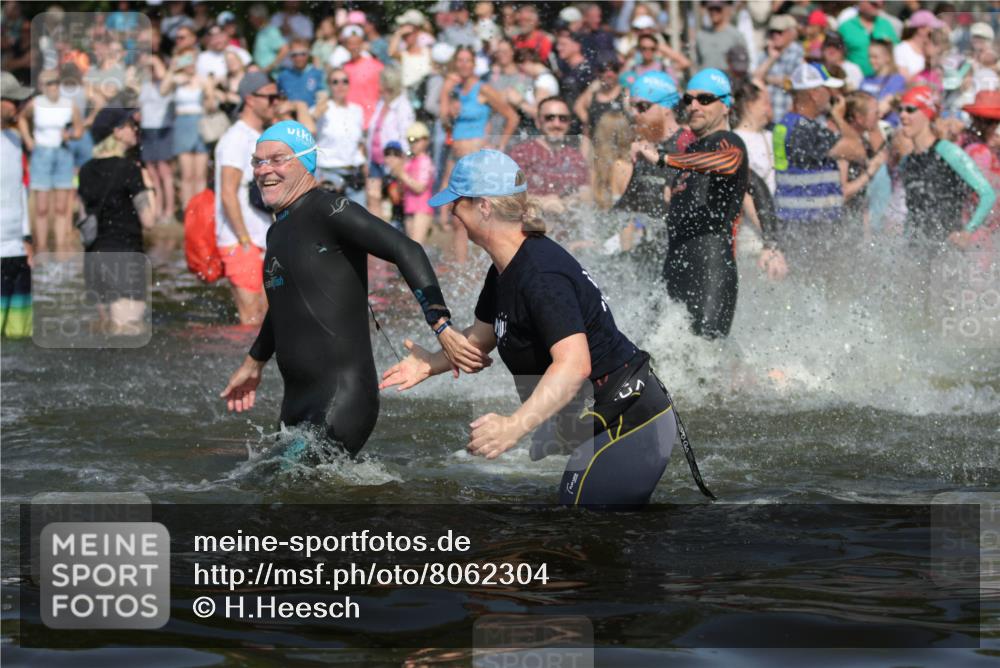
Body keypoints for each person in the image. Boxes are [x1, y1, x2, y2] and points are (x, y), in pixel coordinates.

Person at [380, 149, 715, 506]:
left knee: (576, 529)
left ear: (484, 207)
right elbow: (483, 337)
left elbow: (574, 366)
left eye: (457, 203)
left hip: (629, 421)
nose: (450, 213)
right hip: (599, 421)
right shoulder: (503, 271)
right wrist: (428, 363)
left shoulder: (540, 273)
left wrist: (513, 427)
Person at [220, 121, 484, 457]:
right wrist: (254, 362)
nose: (264, 170)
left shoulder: (329, 210)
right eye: (258, 161)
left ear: (305, 161)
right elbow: (286, 302)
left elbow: (408, 250)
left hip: (343, 398)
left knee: (286, 488)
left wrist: (441, 325)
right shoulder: (277, 232)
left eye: (277, 159)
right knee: (275, 493)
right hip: (297, 403)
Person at [632, 68, 749, 339]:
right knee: (658, 352)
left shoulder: (729, 141)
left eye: (705, 99)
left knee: (704, 361)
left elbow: (730, 163)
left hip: (711, 268)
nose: (694, 106)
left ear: (726, 105)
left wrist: (665, 159)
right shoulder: (691, 152)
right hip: (675, 265)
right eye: (689, 100)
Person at [78, 107, 156, 334]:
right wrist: (148, 183)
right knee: (128, 335)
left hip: (94, 259)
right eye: (131, 125)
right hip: (125, 258)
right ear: (117, 132)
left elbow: (82, 216)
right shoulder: (130, 169)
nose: (135, 129)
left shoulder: (85, 170)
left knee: (107, 333)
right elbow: (149, 220)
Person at [772, 63, 866, 250]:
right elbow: (858, 151)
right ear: (815, 94)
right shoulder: (805, 129)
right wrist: (837, 116)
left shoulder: (786, 123)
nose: (832, 95)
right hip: (811, 227)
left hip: (794, 222)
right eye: (827, 90)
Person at [440, 46, 518, 262]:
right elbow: (445, 124)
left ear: (474, 65)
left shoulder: (483, 89)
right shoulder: (457, 92)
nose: (464, 65)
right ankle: (462, 271)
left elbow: (511, 116)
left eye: (468, 60)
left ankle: (493, 263)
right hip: (458, 160)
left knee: (478, 216)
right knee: (458, 219)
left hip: (476, 163)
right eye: (460, 60)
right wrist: (445, 94)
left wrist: (499, 145)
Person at [214, 71, 278, 325]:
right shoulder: (235, 138)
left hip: (262, 239)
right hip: (240, 241)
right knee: (251, 320)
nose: (276, 102)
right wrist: (244, 241)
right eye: (271, 97)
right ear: (250, 99)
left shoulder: (259, 137)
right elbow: (228, 192)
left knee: (268, 319)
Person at [895, 86, 995, 245]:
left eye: (910, 109)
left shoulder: (948, 152)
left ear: (927, 112)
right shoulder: (907, 161)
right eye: (899, 110)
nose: (902, 115)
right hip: (915, 251)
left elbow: (988, 194)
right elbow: (911, 212)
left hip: (946, 251)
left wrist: (968, 231)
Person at [615, 72, 694, 246]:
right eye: (632, 107)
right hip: (651, 251)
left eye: (642, 107)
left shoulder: (688, 143)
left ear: (666, 107)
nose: (635, 114)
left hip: (683, 251)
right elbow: (627, 208)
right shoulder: (643, 148)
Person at [18, 69, 82, 253]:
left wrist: (69, 135)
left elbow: (79, 131)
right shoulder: (35, 104)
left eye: (55, 82)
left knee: (62, 207)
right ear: (41, 86)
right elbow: (21, 119)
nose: (53, 87)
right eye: (49, 83)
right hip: (41, 154)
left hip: (62, 154)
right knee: (41, 208)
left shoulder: (69, 105)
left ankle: (61, 248)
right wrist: (28, 139)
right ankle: (43, 247)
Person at [509, 97, 591, 215]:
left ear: (569, 123)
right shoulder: (520, 154)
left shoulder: (575, 157)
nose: (556, 124)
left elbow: (587, 192)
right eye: (549, 118)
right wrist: (542, 202)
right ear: (538, 122)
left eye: (563, 118)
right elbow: (509, 197)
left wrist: (572, 200)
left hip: (567, 227)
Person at [161, 47, 215, 212]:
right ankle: (188, 211)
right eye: (186, 59)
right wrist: (172, 68)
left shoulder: (203, 79)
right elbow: (162, 91)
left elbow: (211, 106)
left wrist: (207, 91)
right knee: (186, 175)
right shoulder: (176, 79)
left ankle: (200, 211)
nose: (190, 63)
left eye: (192, 59)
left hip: (199, 123)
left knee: (200, 175)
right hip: (182, 124)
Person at [1, 71, 33, 339]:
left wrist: (27, 237)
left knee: (19, 335)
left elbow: (21, 190)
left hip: (17, 249)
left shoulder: (15, 140)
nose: (19, 107)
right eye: (13, 101)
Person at [366, 68, 415, 222]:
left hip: (393, 158)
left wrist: (402, 161)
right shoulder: (382, 103)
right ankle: (376, 232)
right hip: (375, 158)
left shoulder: (402, 105)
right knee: (373, 195)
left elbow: (405, 134)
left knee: (394, 197)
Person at [312, 67, 366, 207]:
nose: (340, 85)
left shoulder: (357, 110)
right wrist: (316, 113)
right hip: (329, 172)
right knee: (331, 222)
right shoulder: (321, 109)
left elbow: (358, 143)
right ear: (329, 85)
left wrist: (364, 167)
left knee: (359, 223)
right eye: (335, 82)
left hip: (353, 173)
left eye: (344, 81)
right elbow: (307, 132)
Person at [839, 91, 887, 241]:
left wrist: (866, 236)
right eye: (875, 112)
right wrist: (870, 172)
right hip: (839, 228)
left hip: (856, 226)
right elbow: (842, 193)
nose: (879, 116)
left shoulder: (863, 143)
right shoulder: (843, 145)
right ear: (859, 118)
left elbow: (861, 199)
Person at [386, 121, 435, 245]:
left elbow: (420, 187)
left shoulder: (425, 161)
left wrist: (401, 174)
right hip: (409, 207)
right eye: (409, 140)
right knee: (411, 248)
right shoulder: (410, 161)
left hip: (422, 209)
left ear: (425, 141)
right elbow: (402, 189)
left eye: (415, 140)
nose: (412, 143)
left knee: (416, 247)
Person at [753, 13, 804, 124]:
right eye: (772, 32)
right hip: (764, 118)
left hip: (786, 117)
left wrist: (768, 79)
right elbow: (754, 81)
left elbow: (795, 83)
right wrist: (771, 59)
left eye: (779, 32)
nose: (775, 35)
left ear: (790, 33)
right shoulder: (765, 52)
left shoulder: (798, 53)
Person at [837, 0, 899, 77]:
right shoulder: (846, 27)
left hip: (884, 81)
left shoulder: (886, 24)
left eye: (882, 3)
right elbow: (838, 56)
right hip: (855, 81)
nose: (878, 6)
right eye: (874, 3)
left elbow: (895, 51)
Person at [860, 39, 906, 125]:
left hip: (886, 126)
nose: (871, 61)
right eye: (869, 57)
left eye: (875, 57)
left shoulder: (897, 80)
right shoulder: (866, 79)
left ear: (887, 57)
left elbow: (883, 108)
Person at [696, 1, 747, 71]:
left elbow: (743, 64)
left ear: (725, 9)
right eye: (711, 9)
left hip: (728, 80)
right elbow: (697, 63)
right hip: (706, 80)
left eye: (717, 9)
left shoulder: (736, 36)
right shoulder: (701, 35)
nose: (713, 12)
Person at [895, 10, 946, 80]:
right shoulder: (901, 49)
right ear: (921, 29)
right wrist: (925, 71)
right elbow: (903, 82)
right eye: (933, 28)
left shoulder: (929, 50)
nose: (935, 31)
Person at [275, 38, 325, 107]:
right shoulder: (282, 77)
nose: (299, 58)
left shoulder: (318, 74)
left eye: (302, 54)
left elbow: (323, 100)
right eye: (294, 54)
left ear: (308, 54)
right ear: (289, 56)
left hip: (312, 115)